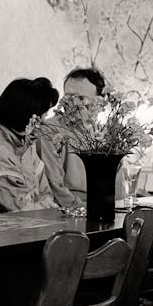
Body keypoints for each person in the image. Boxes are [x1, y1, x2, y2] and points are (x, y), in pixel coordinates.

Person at [0, 77, 59, 213]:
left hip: (32, 228)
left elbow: (46, 195)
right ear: (29, 118)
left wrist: (45, 206)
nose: (45, 122)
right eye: (43, 116)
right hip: (1, 232)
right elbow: (23, 213)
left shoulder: (25, 143)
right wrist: (45, 207)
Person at [36, 67, 108, 208]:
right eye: (68, 97)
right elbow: (55, 187)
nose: (73, 103)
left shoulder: (106, 133)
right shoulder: (48, 130)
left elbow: (117, 188)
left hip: (101, 208)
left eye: (81, 98)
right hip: (66, 211)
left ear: (100, 102)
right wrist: (83, 209)